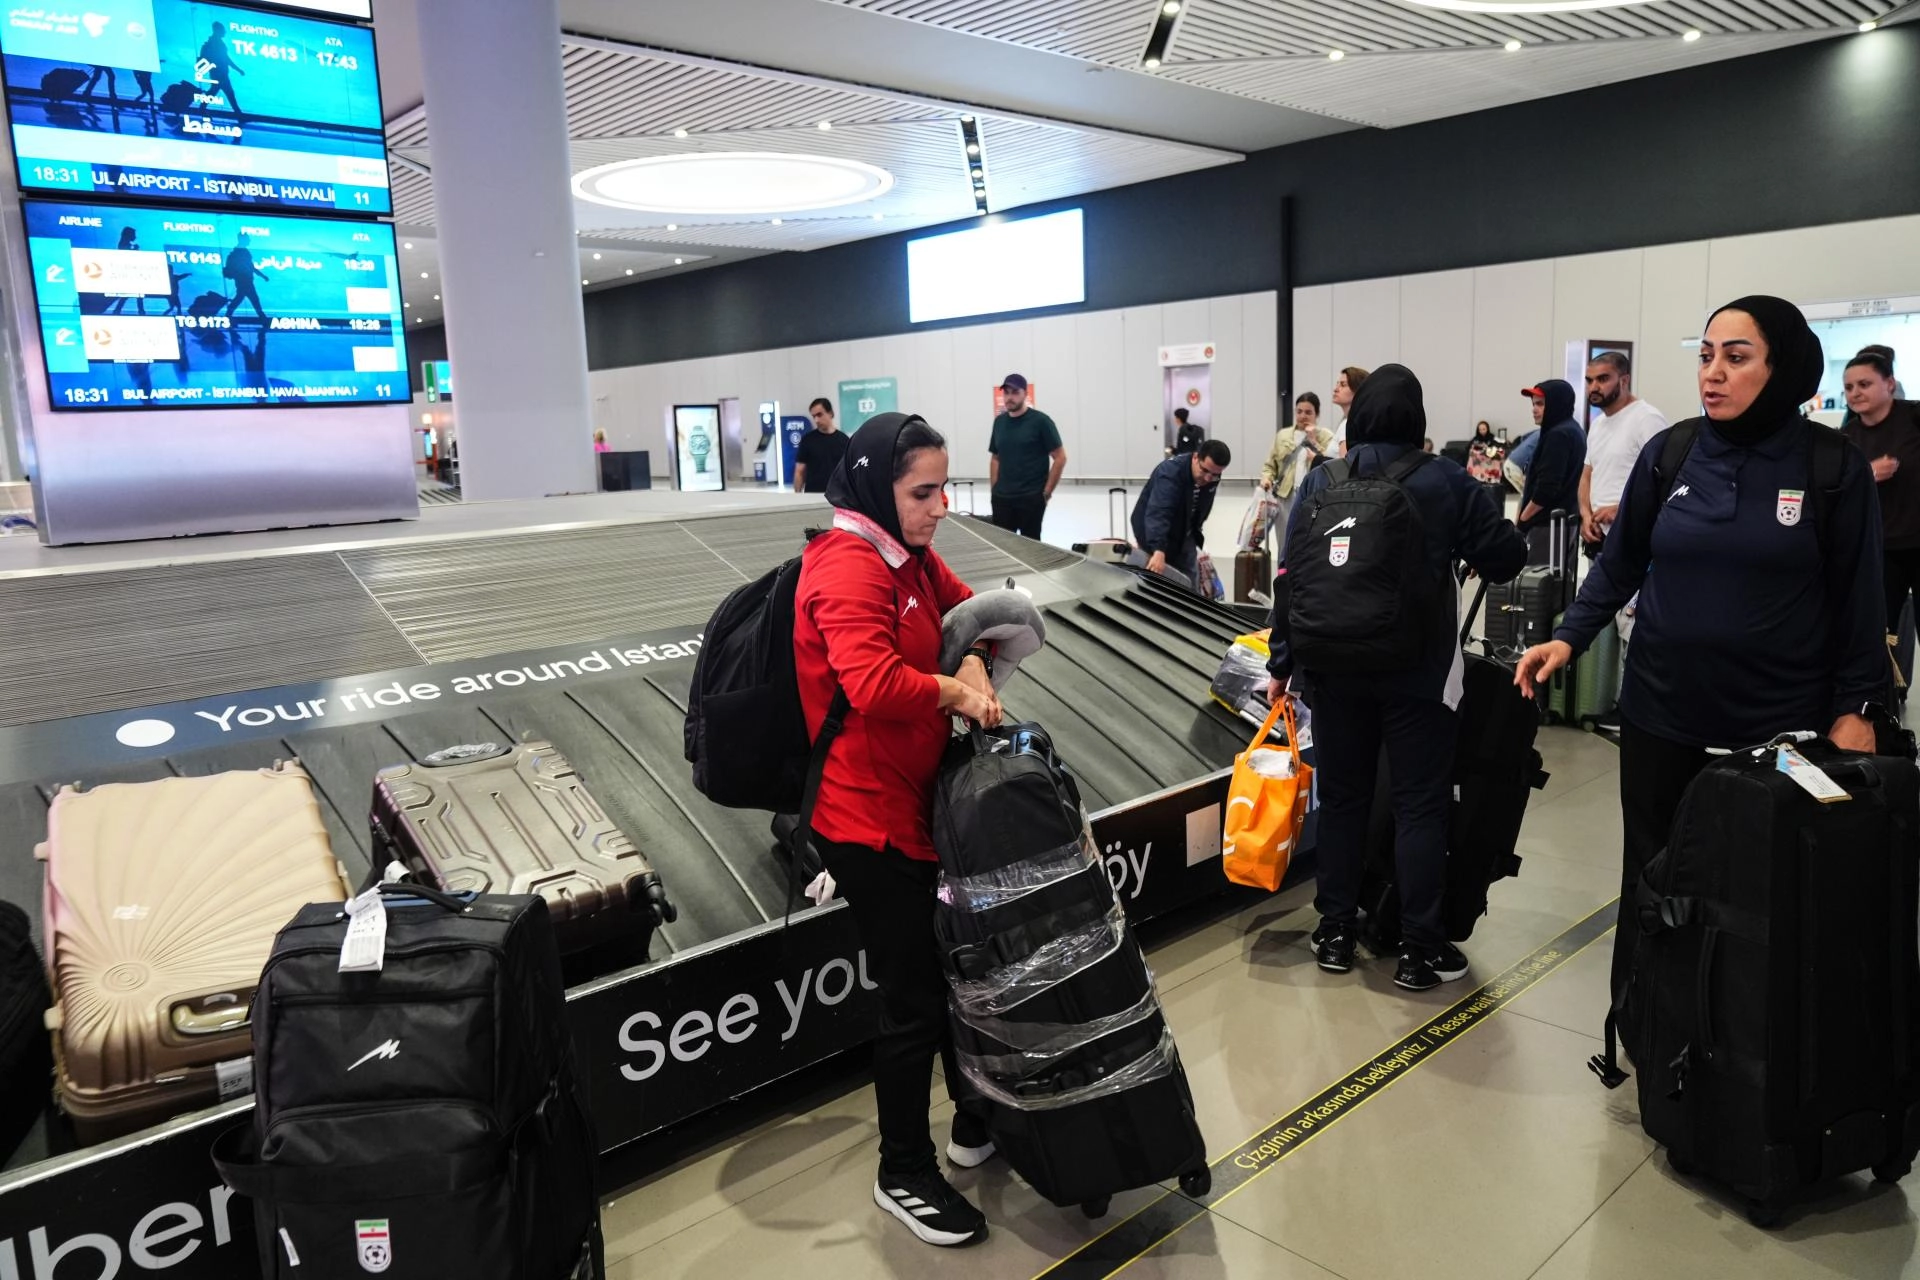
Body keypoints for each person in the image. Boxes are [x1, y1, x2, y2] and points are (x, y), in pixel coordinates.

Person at [1514, 296, 1886, 1007]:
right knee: (1653, 874)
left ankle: (1746, 1042)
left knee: (1763, 886)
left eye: (1736, 358)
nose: (1712, 373)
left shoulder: (1832, 468)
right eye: (1706, 355)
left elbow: (1860, 601)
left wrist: (1858, 707)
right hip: (1662, 716)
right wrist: (1568, 634)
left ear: (1783, 370)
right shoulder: (1673, 453)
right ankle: (1647, 1023)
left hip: (1780, 727)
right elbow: (1621, 564)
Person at [793, 412, 1002, 1249]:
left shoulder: (906, 553)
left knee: (949, 972)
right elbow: (875, 685)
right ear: (879, 488)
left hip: (915, 801)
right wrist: (957, 692)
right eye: (923, 492)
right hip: (865, 820)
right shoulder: (848, 565)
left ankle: (973, 1120)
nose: (940, 506)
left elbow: (968, 610)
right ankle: (902, 1170)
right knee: (913, 997)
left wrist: (975, 657)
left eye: (945, 488)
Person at [1268, 365, 1526, 990]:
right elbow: (1505, 557)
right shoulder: (1443, 479)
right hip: (1417, 675)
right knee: (1419, 806)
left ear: (1357, 416)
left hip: (1332, 669)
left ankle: (1334, 933)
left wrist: (1282, 664)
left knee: (1344, 799)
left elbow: (1290, 576)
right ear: (1417, 418)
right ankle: (1418, 949)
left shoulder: (1322, 479)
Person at [1839, 349, 1920, 664]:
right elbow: (1836, 494)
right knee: (1879, 633)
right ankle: (1886, 691)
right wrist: (1867, 474)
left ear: (1889, 384)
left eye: (1864, 384)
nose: (1855, 393)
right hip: (1881, 550)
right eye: (1849, 387)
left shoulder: (1913, 418)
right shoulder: (1845, 440)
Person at [1579, 353, 1669, 554]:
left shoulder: (1647, 419)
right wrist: (1585, 515)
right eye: (1589, 380)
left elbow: (1665, 481)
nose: (1593, 387)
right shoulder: (1597, 424)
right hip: (1598, 538)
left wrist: (1622, 509)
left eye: (1602, 379)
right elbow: (1587, 476)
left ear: (1624, 380)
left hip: (1633, 537)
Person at [1131, 440, 1230, 585]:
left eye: (1215, 474)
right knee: (1157, 584)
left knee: (1188, 584)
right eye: (1205, 470)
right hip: (1153, 534)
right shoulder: (1170, 473)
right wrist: (1158, 549)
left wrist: (1196, 533)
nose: (1208, 478)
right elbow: (1159, 512)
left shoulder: (1211, 476)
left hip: (1184, 534)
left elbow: (1200, 508)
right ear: (1195, 457)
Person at [987, 374, 1065, 539]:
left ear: (1025, 394)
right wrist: (995, 489)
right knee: (1003, 546)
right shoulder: (999, 422)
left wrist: (1047, 493)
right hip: (1002, 499)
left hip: (1031, 499)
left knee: (1030, 548)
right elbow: (995, 457)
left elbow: (1060, 457)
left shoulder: (1041, 422)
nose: (1010, 397)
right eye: (1006, 392)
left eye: (1015, 392)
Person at [1515, 380, 1587, 545]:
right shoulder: (1573, 429)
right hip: (1563, 523)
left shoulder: (1558, 435)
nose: (1534, 409)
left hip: (1548, 527)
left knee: (1541, 564)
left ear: (1557, 404)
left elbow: (1546, 489)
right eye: (1533, 404)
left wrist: (1522, 521)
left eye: (1540, 404)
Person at [1259, 392, 1333, 539]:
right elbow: (1270, 465)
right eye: (1299, 411)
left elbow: (1331, 464)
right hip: (1286, 496)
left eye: (1308, 412)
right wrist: (1266, 478)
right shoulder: (1283, 435)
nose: (1303, 416)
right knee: (1285, 539)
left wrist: (1314, 441)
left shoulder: (1326, 436)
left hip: (1313, 496)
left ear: (1317, 414)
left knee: (1310, 538)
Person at [791, 397, 849, 495]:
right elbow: (799, 471)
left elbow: (849, 471)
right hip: (813, 496)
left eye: (819, 415)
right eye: (814, 416)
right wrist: (797, 496)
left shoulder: (844, 440)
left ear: (830, 413)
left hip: (838, 495)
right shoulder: (807, 440)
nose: (816, 420)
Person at [200, 22, 245, 116]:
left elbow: (226, 59)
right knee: (229, 93)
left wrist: (238, 69)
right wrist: (238, 69)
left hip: (219, 73)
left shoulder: (217, 43)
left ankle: (202, 108)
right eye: (223, 30)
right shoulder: (216, 44)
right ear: (218, 30)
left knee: (215, 91)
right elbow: (226, 59)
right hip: (219, 73)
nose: (225, 32)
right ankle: (239, 115)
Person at [223, 233, 268, 322]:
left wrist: (262, 276)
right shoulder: (240, 253)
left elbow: (251, 267)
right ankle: (263, 320)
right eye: (248, 239)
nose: (249, 240)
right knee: (253, 299)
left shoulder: (242, 252)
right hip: (244, 281)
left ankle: (227, 316)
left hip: (245, 281)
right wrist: (262, 276)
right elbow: (250, 267)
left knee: (240, 299)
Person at [1329, 366, 1369, 456]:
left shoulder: (1348, 425)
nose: (1335, 389)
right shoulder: (1353, 423)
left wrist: (1316, 458)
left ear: (1358, 390)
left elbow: (1345, 463)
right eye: (1337, 384)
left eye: (1343, 385)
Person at [1466, 420, 1504, 485]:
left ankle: (1492, 479)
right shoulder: (1475, 438)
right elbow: (1469, 448)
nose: (1482, 431)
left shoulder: (1492, 437)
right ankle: (1476, 478)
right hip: (1478, 460)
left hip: (1489, 459)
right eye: (1480, 430)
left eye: (1484, 429)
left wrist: (1488, 448)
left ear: (1487, 429)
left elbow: (1498, 447)